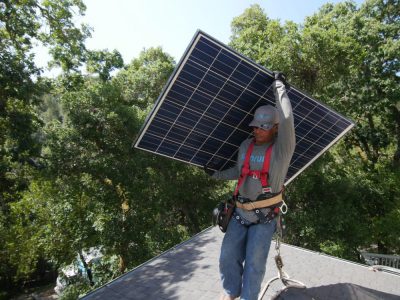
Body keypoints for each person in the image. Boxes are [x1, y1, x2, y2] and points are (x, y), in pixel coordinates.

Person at [206, 72, 296, 300]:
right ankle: (231, 293)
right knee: (227, 257)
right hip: (238, 213)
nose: (257, 130)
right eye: (255, 126)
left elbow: (287, 119)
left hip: (264, 218)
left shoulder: (281, 151)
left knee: (255, 264)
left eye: (263, 127)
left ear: (275, 128)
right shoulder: (246, 145)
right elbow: (239, 171)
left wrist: (279, 87)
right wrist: (215, 175)